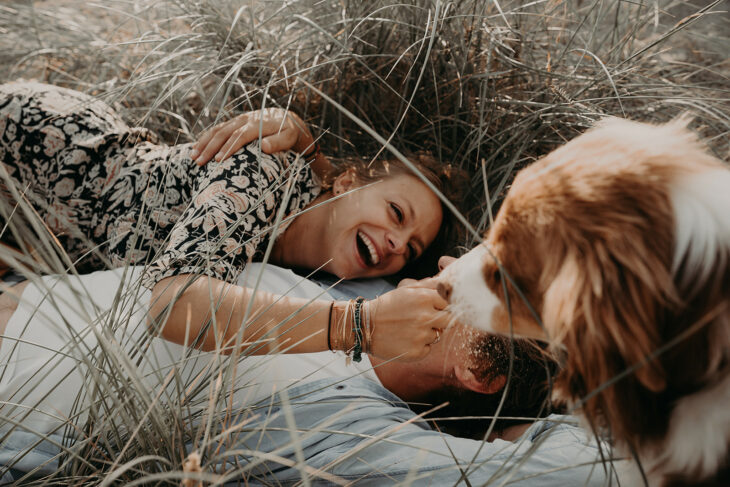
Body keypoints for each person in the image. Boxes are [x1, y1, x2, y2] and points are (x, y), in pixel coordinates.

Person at [0, 263, 618, 485]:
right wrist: (292, 133)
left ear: (478, 368)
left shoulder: (349, 426)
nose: (453, 260)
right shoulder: (367, 283)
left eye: (486, 281)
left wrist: (514, 433)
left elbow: (594, 473)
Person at [0, 82, 457, 362]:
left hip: (42, 231)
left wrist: (309, 146)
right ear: (348, 182)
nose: (396, 243)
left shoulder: (303, 256)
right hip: (41, 150)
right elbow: (171, 305)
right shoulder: (263, 172)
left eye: (411, 249)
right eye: (397, 213)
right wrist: (361, 325)